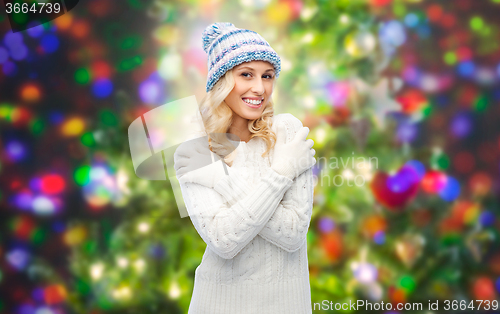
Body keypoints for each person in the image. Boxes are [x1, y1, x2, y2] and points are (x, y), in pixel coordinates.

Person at [173, 22, 316, 314]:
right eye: (246, 75)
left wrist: (223, 180)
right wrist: (281, 174)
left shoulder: (288, 132)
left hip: (286, 305)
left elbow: (292, 234)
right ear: (222, 81)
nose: (260, 88)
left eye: (267, 76)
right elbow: (224, 241)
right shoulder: (194, 151)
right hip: (217, 304)